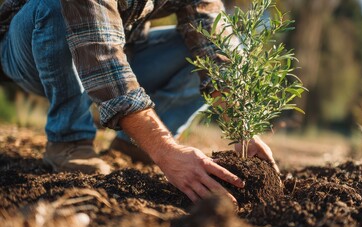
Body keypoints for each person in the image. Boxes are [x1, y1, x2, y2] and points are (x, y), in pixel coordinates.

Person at [0, 0, 277, 202]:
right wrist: (165, 148)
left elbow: (212, 39)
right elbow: (99, 51)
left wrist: (242, 129)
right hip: (36, 47)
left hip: (122, 47)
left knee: (203, 42)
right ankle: (69, 139)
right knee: (53, 7)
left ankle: (134, 143)